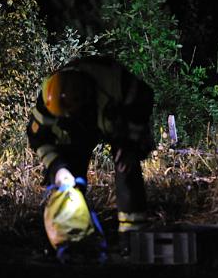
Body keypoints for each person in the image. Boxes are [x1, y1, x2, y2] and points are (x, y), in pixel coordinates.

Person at [27, 55, 155, 251]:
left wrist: (131, 144)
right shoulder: (49, 98)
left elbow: (143, 101)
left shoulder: (116, 82)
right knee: (69, 176)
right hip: (79, 127)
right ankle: (73, 236)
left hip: (119, 120)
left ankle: (133, 235)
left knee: (125, 164)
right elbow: (38, 138)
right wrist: (58, 168)